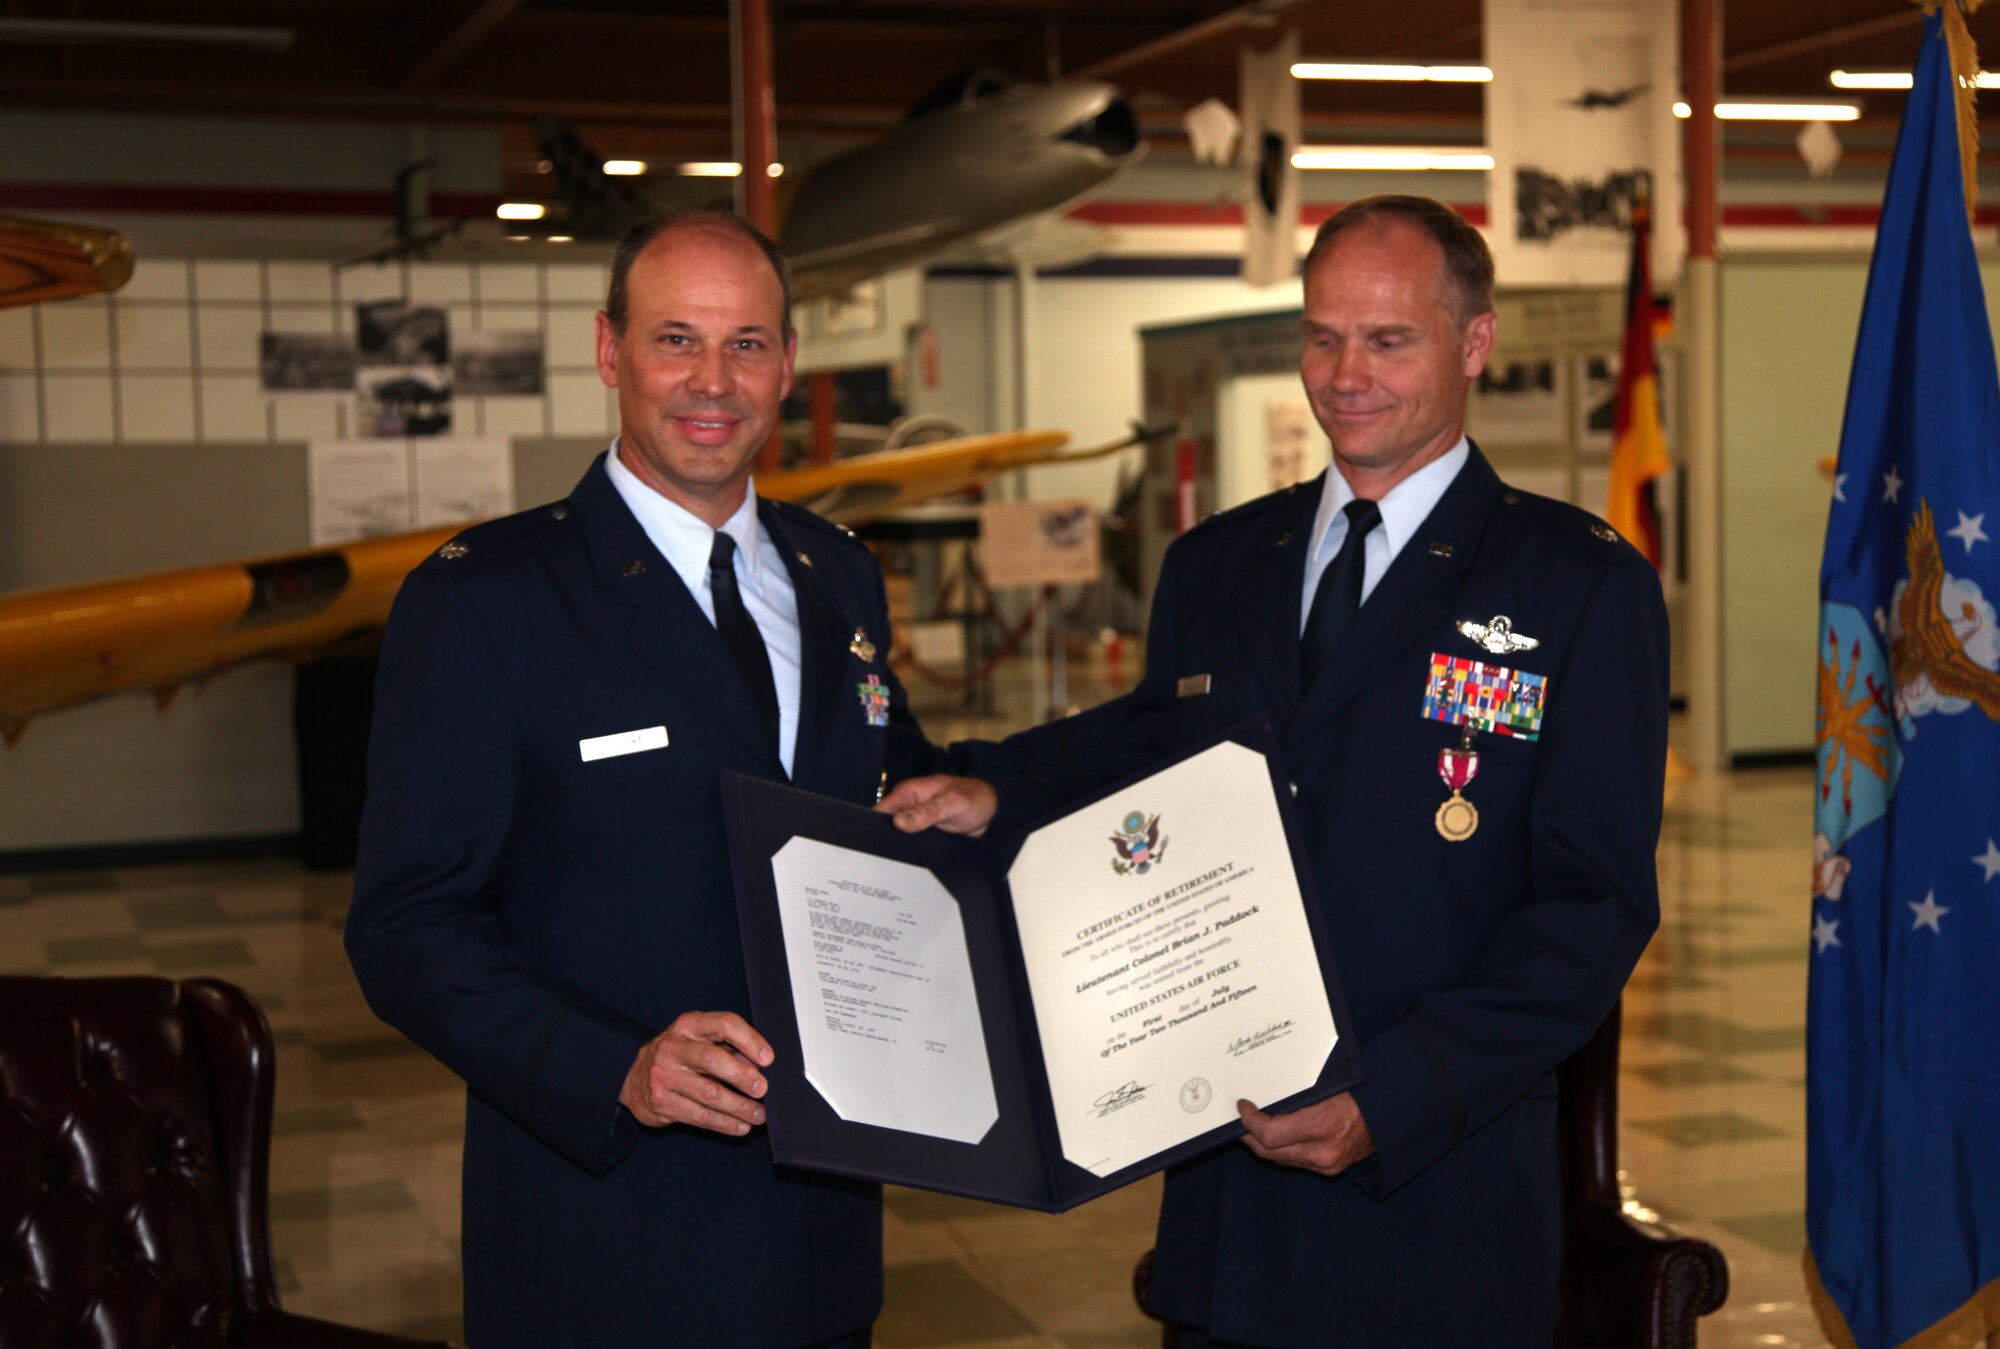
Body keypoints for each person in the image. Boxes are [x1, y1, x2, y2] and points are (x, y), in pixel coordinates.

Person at [888, 195, 1668, 1346]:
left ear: (1472, 344)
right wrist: (998, 788)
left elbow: (1589, 910)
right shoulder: (1216, 565)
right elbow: (1149, 745)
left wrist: (1394, 1096)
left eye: (1387, 339)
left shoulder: (1575, 586)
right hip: (1227, 1193)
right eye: (1321, 335)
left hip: (1433, 1189)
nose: (1344, 373)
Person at [346, 208, 983, 1348]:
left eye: (746, 343)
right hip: (609, 1230)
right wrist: (617, 1065)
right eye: (675, 338)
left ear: (787, 362)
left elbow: (889, 779)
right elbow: (405, 925)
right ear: (609, 350)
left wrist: (983, 807)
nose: (713, 379)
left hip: (824, 1229)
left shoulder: (835, 573)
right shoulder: (485, 603)